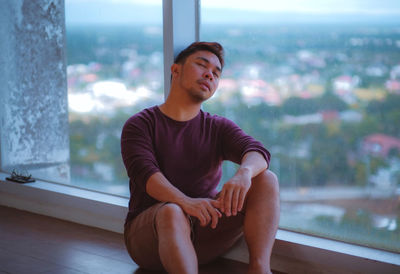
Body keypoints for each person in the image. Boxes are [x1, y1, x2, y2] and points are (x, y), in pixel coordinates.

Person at [121, 41, 280, 274]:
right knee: (171, 211)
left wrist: (244, 174)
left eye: (216, 73)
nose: (209, 74)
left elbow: (258, 152)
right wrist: (186, 202)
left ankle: (259, 269)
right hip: (150, 239)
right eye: (201, 65)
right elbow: (146, 176)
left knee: (266, 179)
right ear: (175, 70)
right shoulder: (140, 125)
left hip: (205, 229)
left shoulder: (217, 127)